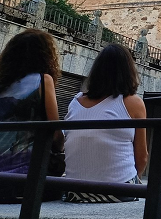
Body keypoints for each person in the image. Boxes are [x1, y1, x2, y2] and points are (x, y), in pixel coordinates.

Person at [0, 29, 64, 204]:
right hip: (19, 185)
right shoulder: (43, 80)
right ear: (45, 56)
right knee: (64, 189)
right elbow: (56, 135)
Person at [63, 43, 148, 203]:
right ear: (129, 71)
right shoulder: (133, 102)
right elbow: (142, 157)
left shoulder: (75, 101)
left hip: (74, 192)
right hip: (117, 191)